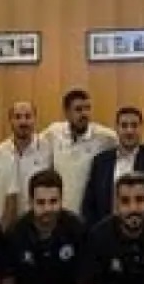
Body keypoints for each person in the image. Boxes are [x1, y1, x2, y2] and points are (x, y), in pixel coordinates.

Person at [82, 107, 144, 227]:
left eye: (134, 126)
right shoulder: (101, 161)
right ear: (116, 128)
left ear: (141, 128)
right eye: (124, 126)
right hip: (107, 233)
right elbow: (89, 204)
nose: (129, 131)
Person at [42, 91, 116, 219]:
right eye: (78, 109)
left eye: (87, 108)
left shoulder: (105, 137)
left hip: (89, 214)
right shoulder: (53, 133)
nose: (84, 114)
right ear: (66, 112)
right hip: (59, 212)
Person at [0, 101, 52, 213]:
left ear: (35, 119)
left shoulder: (48, 148)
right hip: (9, 217)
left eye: (28, 116)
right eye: (18, 117)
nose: (23, 122)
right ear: (10, 120)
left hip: (39, 216)